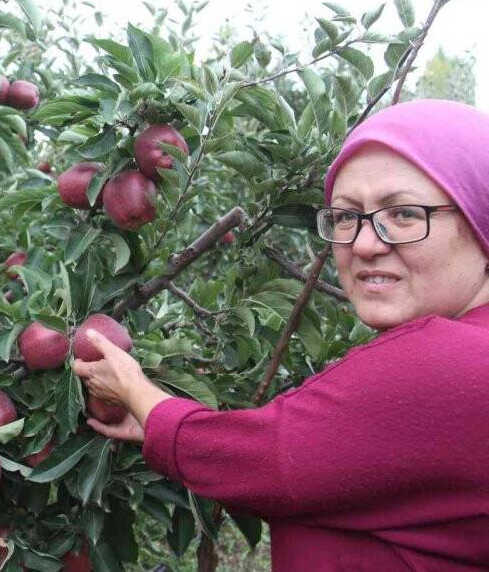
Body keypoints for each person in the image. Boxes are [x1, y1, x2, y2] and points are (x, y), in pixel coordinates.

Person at [74, 99, 489, 571]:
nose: (366, 243)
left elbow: (267, 463)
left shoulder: (453, 361)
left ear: (480, 220)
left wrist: (135, 390)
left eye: (405, 215)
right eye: (346, 217)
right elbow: (327, 462)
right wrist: (152, 416)